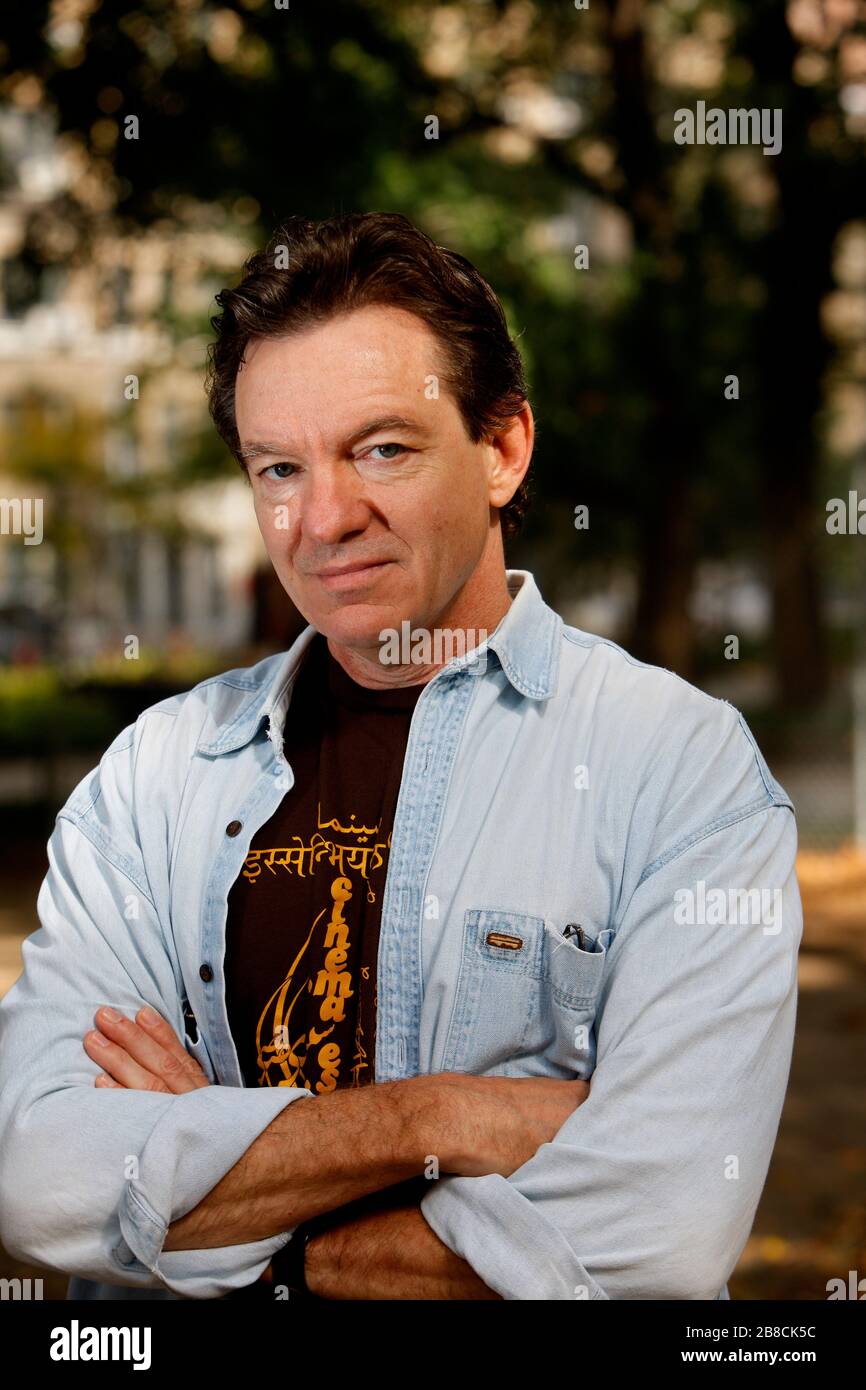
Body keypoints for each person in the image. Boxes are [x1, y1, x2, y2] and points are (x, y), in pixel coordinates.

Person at [0, 212, 801, 1301]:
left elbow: (657, 1237)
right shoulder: (154, 777)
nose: (322, 517)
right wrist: (441, 1119)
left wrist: (221, 1206)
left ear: (502, 449)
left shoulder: (677, 769)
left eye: (382, 447)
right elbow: (39, 1177)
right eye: (278, 465)